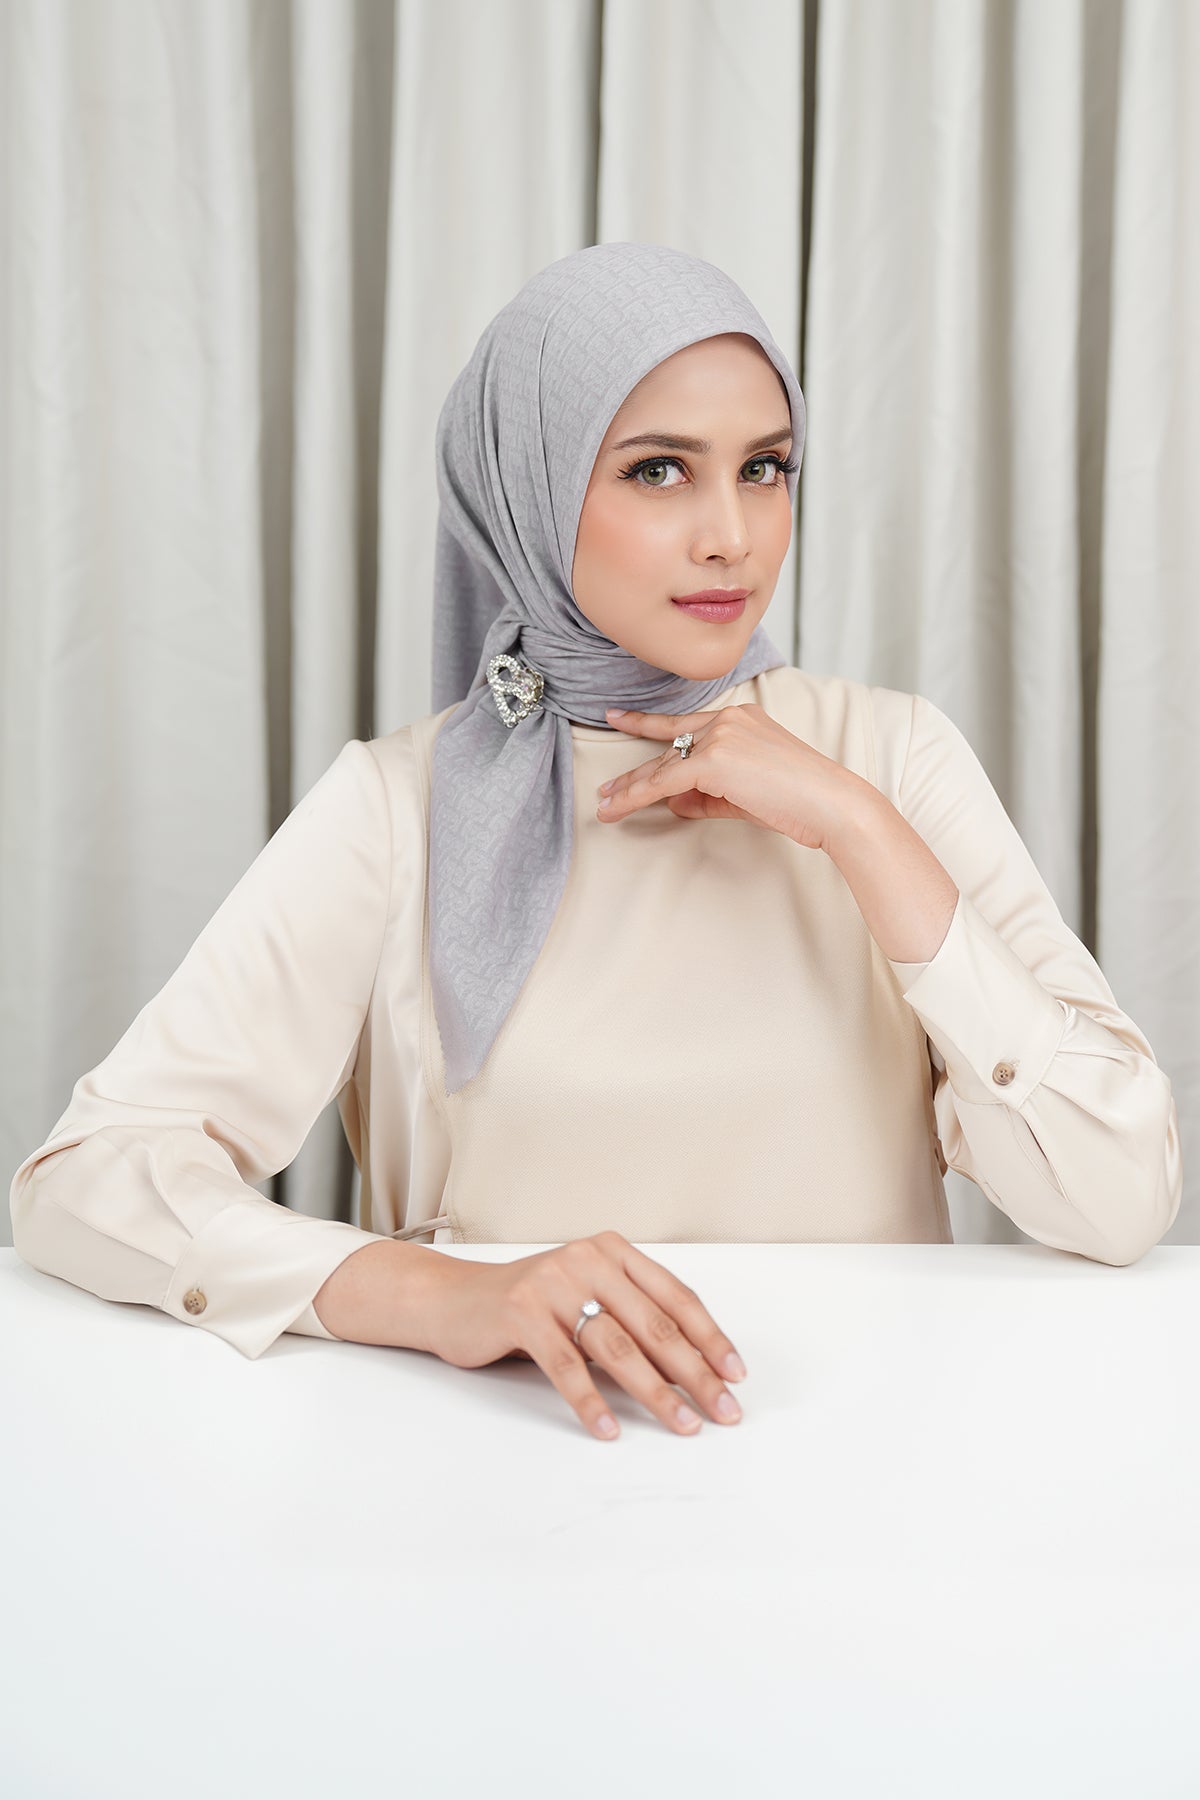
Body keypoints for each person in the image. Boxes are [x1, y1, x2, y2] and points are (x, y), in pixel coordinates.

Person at [8, 242, 1183, 1444]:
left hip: (861, 1469)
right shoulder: (398, 806)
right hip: (516, 1471)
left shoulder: (889, 759)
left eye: (765, 468)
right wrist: (434, 1294)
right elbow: (89, 1175)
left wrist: (859, 828)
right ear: (527, 485)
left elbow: (1118, 1195)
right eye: (658, 470)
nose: (731, 535)